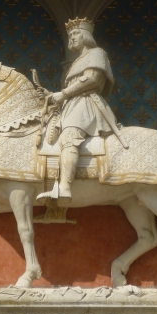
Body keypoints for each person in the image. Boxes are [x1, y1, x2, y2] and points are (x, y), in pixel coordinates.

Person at [37, 17, 117, 206]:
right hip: (71, 105)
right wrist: (51, 96)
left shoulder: (97, 53)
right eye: (70, 35)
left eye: (75, 34)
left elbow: (92, 80)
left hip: (86, 104)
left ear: (86, 35)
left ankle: (65, 186)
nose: (71, 37)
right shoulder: (76, 61)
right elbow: (72, 87)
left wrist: (63, 94)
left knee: (69, 136)